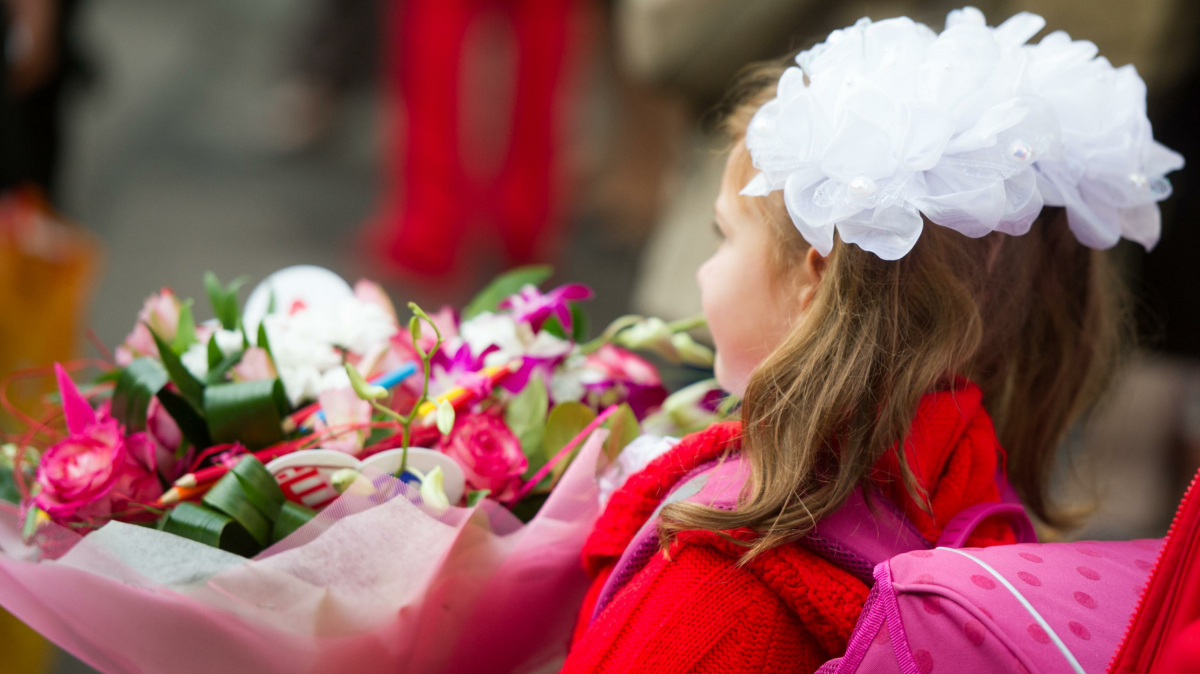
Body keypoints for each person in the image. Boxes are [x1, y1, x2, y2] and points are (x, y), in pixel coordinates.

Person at [561, 7, 1183, 673]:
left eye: (723, 235)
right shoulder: (968, 487)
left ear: (816, 277)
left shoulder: (715, 590)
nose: (703, 270)